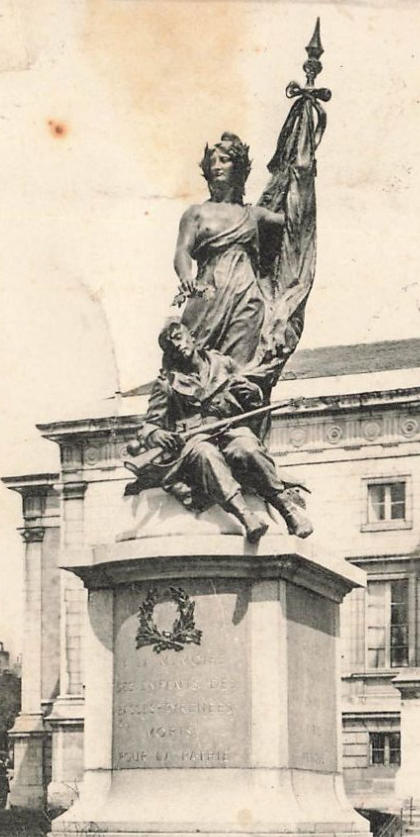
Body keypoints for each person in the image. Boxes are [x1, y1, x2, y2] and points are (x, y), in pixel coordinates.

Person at [134, 322, 313, 543]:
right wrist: (155, 434)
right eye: (170, 344)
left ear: (192, 336)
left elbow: (253, 399)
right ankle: (246, 517)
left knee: (248, 447)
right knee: (206, 454)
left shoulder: (223, 363)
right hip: (195, 439)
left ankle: (288, 511)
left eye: (179, 337)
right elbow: (149, 425)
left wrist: (250, 391)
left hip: (228, 428)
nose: (177, 345)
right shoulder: (167, 383)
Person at [173, 133, 284, 369]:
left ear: (239, 167)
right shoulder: (195, 213)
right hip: (208, 294)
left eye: (224, 160)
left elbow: (296, 218)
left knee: (238, 369)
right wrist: (185, 277)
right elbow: (182, 251)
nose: (216, 166)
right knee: (193, 361)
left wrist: (301, 169)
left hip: (246, 297)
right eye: (212, 162)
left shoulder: (255, 215)